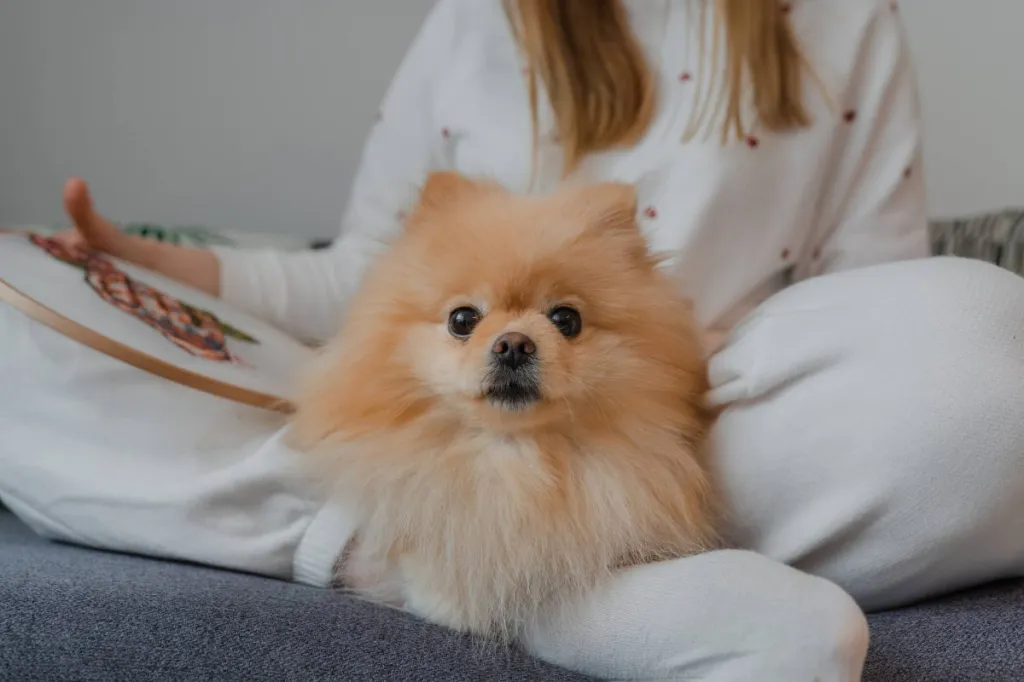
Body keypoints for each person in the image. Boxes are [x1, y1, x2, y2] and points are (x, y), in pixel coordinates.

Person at [3, 0, 1024, 679]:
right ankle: (430, 558)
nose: (512, 339)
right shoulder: (479, 16)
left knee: (979, 349)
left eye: (548, 321)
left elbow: (881, 294)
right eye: (480, 322)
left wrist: (724, 344)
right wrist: (142, 264)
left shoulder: (843, 18)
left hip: (707, 424)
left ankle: (537, 564)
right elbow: (365, 273)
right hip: (435, 447)